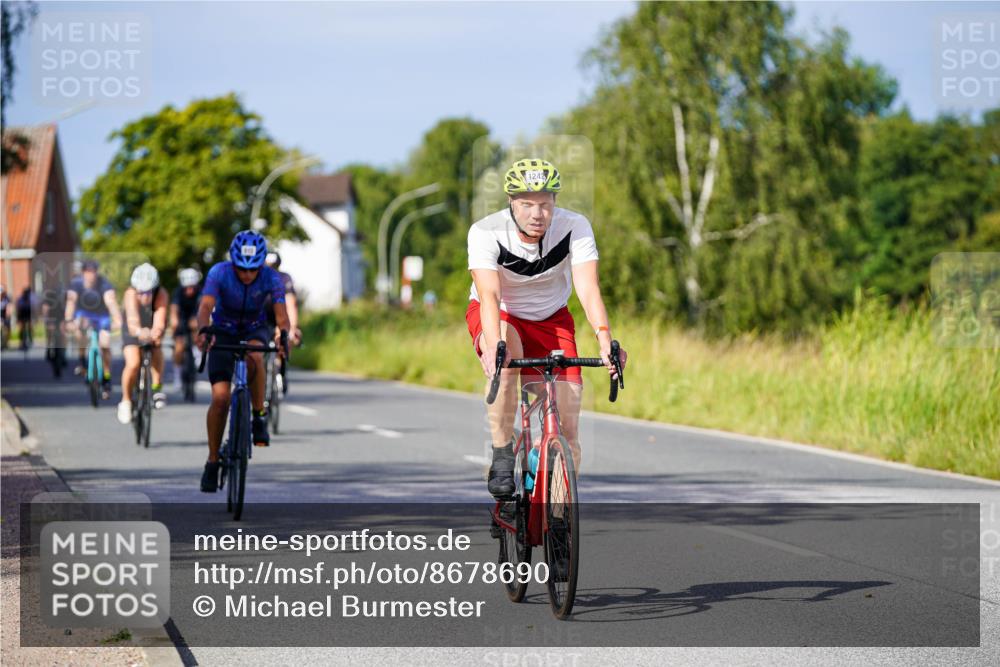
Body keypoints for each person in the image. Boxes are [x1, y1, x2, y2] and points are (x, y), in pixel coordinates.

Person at [466, 158, 627, 498]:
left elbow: (587, 287)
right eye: (526, 204)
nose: (536, 214)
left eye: (544, 204)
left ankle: (558, 523)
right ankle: (501, 454)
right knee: (508, 362)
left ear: (555, 201)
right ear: (511, 203)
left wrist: (605, 340)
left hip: (552, 318)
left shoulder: (575, 225)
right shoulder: (485, 232)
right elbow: (490, 294)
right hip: (501, 313)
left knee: (569, 429)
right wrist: (495, 347)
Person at [195, 230, 289, 493]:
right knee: (221, 398)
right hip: (223, 329)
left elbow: (282, 316)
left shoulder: (272, 277)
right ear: (233, 263)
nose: (247, 275)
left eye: (253, 270)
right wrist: (204, 329)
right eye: (241, 270)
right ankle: (213, 460)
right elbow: (205, 308)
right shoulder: (219, 273)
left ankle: (259, 415)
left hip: (254, 328)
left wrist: (284, 335)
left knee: (256, 355)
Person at [117, 263, 170, 424]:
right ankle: (125, 400)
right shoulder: (130, 294)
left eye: (149, 292)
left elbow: (160, 319)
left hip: (151, 323)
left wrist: (156, 332)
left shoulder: (161, 294)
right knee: (133, 363)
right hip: (133, 327)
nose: (145, 297)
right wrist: (140, 332)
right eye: (141, 292)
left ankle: (156, 388)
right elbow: (132, 321)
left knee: (157, 347)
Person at [64, 260, 122, 399]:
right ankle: (83, 361)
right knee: (79, 331)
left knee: (105, 343)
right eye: (88, 272)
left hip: (102, 316)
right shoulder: (76, 284)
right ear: (83, 273)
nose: (91, 275)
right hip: (84, 314)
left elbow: (111, 301)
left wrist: (118, 319)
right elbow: (71, 302)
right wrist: (68, 320)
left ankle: (106, 377)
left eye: (93, 272)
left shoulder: (104, 283)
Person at [263, 251, 300, 394]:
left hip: (280, 316)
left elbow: (291, 304)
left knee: (283, 337)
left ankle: (280, 368)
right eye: (268, 266)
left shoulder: (284, 278)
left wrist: (292, 328)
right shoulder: (257, 278)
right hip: (262, 317)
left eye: (274, 266)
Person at [170, 267, 202, 390]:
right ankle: (177, 376)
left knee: (197, 331)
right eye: (187, 287)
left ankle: (197, 353)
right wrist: (174, 322)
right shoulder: (178, 292)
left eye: (192, 287)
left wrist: (198, 321)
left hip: (195, 315)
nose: (189, 290)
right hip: (182, 318)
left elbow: (204, 308)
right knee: (179, 347)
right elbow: (174, 309)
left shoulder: (201, 292)